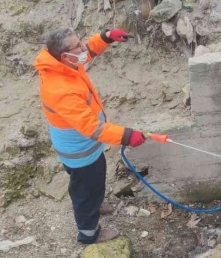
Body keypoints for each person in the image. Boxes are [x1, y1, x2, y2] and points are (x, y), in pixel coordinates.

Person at [34, 28, 147, 244]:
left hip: (82, 146)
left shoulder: (61, 64)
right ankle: (89, 233)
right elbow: (92, 128)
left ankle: (94, 204)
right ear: (66, 56)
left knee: (92, 183)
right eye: (78, 45)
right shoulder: (61, 89)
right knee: (86, 189)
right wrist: (127, 136)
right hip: (80, 152)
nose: (84, 46)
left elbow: (88, 52)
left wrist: (104, 38)